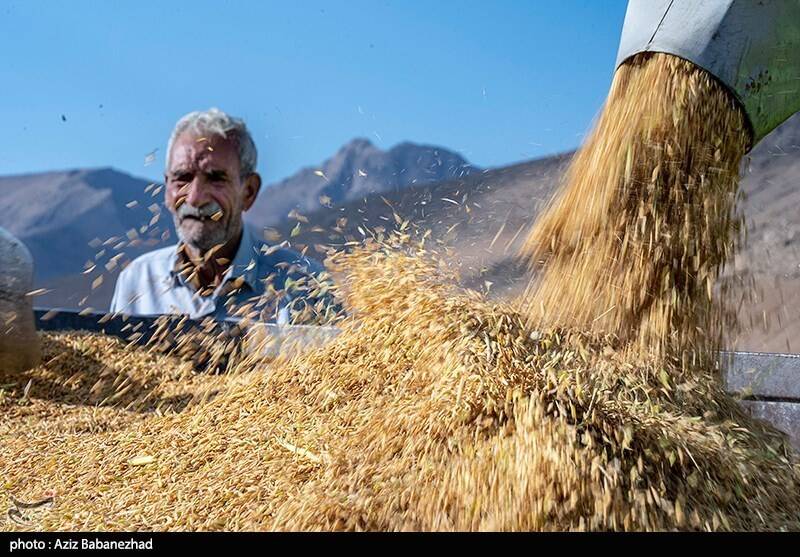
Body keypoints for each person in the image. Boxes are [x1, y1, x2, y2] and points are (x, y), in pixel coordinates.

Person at [110, 108, 338, 326]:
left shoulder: (305, 285)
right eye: (182, 178)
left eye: (216, 178)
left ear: (248, 191)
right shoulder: (137, 282)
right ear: (167, 188)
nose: (195, 198)